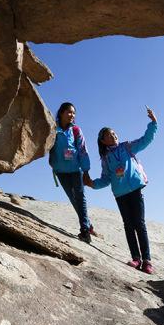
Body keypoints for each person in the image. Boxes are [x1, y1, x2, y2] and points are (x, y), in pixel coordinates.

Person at [84, 107, 158, 274]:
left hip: (135, 189)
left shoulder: (127, 147)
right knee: (128, 225)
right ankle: (135, 258)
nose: (113, 136)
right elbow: (106, 179)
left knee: (139, 223)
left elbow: (145, 140)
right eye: (109, 135)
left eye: (114, 133)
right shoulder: (106, 158)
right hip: (120, 194)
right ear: (103, 141)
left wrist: (153, 123)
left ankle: (147, 260)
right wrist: (92, 184)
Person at [49, 102, 95, 243]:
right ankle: (88, 224)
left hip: (76, 170)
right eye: (69, 112)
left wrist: (86, 171)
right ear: (61, 113)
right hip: (60, 171)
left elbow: (82, 150)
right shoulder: (52, 128)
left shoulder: (75, 130)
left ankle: (85, 231)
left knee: (80, 197)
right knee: (73, 198)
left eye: (74, 113)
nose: (72, 115)